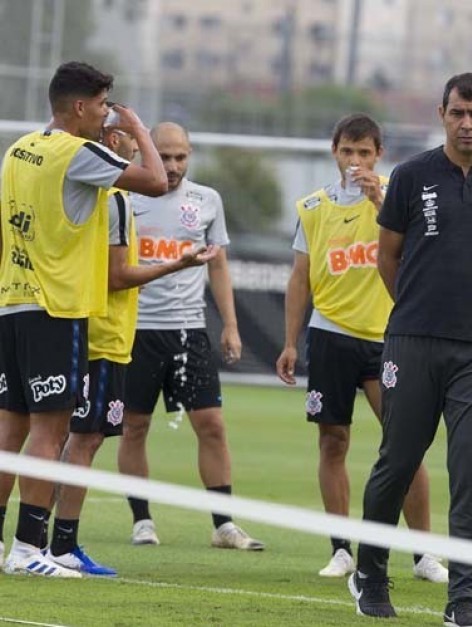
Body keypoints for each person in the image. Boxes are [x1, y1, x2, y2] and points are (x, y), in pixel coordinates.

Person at [348, 73, 472, 626]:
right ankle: (371, 573)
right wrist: (413, 311)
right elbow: (389, 257)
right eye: (458, 113)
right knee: (399, 461)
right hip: (412, 341)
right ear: (442, 113)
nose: (467, 123)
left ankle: (463, 599)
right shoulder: (410, 176)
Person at [0, 61, 167, 576]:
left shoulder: (18, 150)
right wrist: (138, 127)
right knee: (52, 433)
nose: (106, 116)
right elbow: (157, 182)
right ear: (78, 107)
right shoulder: (79, 152)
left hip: (12, 303)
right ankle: (29, 549)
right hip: (58, 307)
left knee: (9, 432)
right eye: (102, 106)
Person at [275, 114, 446, 583]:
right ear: (334, 151)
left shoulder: (396, 194)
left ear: (378, 154)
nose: (355, 161)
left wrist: (379, 200)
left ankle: (423, 553)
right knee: (333, 441)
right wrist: (291, 342)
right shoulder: (312, 206)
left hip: (386, 337)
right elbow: (299, 276)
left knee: (404, 443)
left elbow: (419, 251)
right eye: (348, 152)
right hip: (330, 336)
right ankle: (341, 549)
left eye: (364, 153)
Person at [44, 124, 218, 576]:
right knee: (78, 438)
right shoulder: (116, 198)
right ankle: (53, 545)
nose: (168, 167)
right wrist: (175, 265)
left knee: (73, 436)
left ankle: (43, 542)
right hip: (104, 335)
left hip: (105, 332)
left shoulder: (86, 193)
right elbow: (117, 277)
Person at [116, 122, 263, 550]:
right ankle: (142, 520)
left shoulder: (206, 200)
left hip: (188, 329)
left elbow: (217, 264)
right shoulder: (124, 198)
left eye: (181, 156)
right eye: (164, 157)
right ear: (147, 153)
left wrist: (231, 324)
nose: (174, 165)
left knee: (212, 425)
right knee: (134, 427)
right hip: (136, 330)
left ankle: (223, 524)